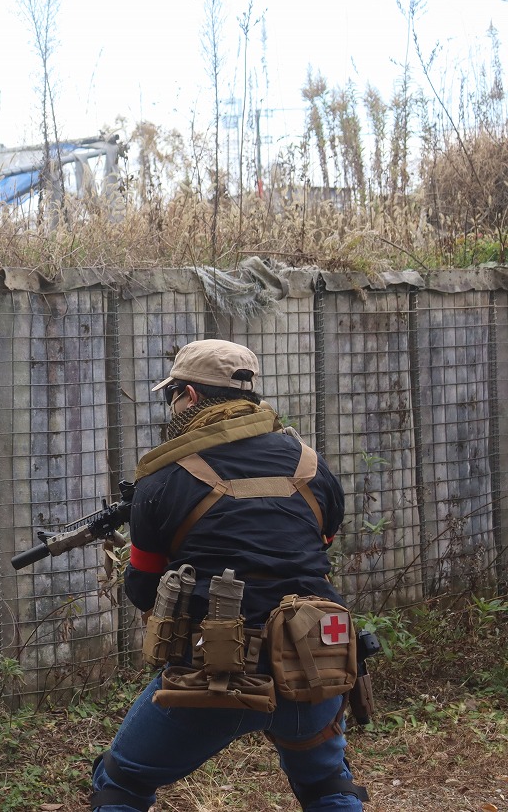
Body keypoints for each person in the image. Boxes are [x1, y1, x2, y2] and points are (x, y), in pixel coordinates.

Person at [89, 339, 369, 811]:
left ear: (190, 397)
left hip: (216, 676)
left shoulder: (161, 481)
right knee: (326, 786)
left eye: (171, 395)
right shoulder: (312, 466)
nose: (171, 405)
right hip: (317, 659)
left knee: (121, 783)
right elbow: (315, 550)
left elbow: (142, 589)